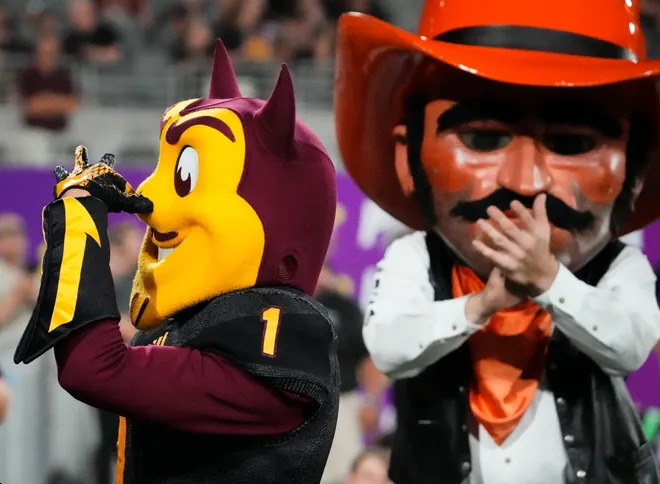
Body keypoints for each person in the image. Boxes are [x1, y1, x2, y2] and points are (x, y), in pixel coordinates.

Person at [334, 0, 660, 483]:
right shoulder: (415, 258)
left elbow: (629, 347)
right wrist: (480, 306)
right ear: (409, 159)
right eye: (483, 139)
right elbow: (388, 348)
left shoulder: (619, 268)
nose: (525, 182)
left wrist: (551, 283)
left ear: (635, 174)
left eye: (571, 143)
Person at [14, 40, 339, 483]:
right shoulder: (191, 320)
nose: (147, 197)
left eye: (184, 177)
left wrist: (78, 217)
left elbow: (94, 368)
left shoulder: (276, 331)